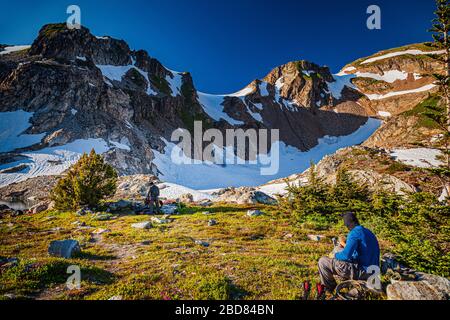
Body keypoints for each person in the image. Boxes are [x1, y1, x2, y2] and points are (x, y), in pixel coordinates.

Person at [318, 212, 380, 293]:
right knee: (339, 249)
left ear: (347, 224)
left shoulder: (354, 233)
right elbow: (360, 252)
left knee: (323, 261)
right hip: (373, 271)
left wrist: (334, 255)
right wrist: (343, 245)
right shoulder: (368, 231)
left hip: (363, 271)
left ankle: (329, 288)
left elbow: (346, 256)